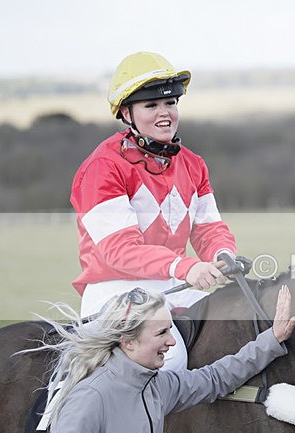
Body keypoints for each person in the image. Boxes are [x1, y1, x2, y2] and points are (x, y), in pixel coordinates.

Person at [70, 51, 237, 372]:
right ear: (126, 113)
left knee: (238, 329)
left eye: (170, 103)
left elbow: (208, 228)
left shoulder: (193, 163)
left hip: (172, 286)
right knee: (170, 359)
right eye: (151, 105)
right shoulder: (102, 168)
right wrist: (186, 267)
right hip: (115, 291)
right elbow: (119, 251)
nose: (165, 113)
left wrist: (223, 254)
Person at [33, 285, 295, 433]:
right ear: (128, 341)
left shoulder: (158, 386)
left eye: (170, 330)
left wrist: (271, 340)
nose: (172, 341)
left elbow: (215, 378)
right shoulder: (92, 397)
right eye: (162, 332)